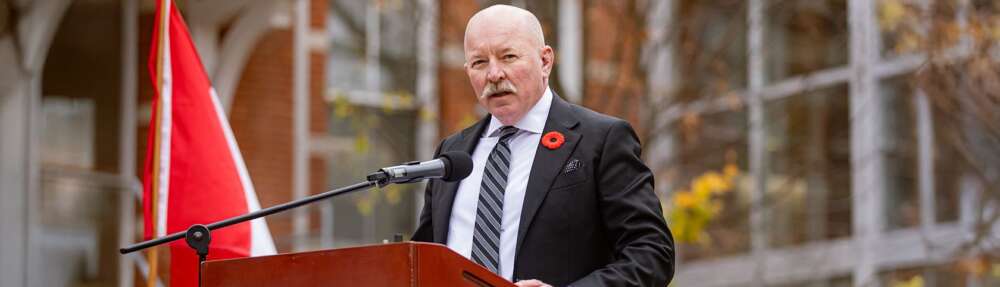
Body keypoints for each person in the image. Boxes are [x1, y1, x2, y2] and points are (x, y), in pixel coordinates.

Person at [411, 5, 674, 287]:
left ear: (545, 61)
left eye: (508, 56)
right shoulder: (452, 154)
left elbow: (652, 253)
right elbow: (421, 261)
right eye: (479, 63)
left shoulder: (600, 139)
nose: (494, 74)